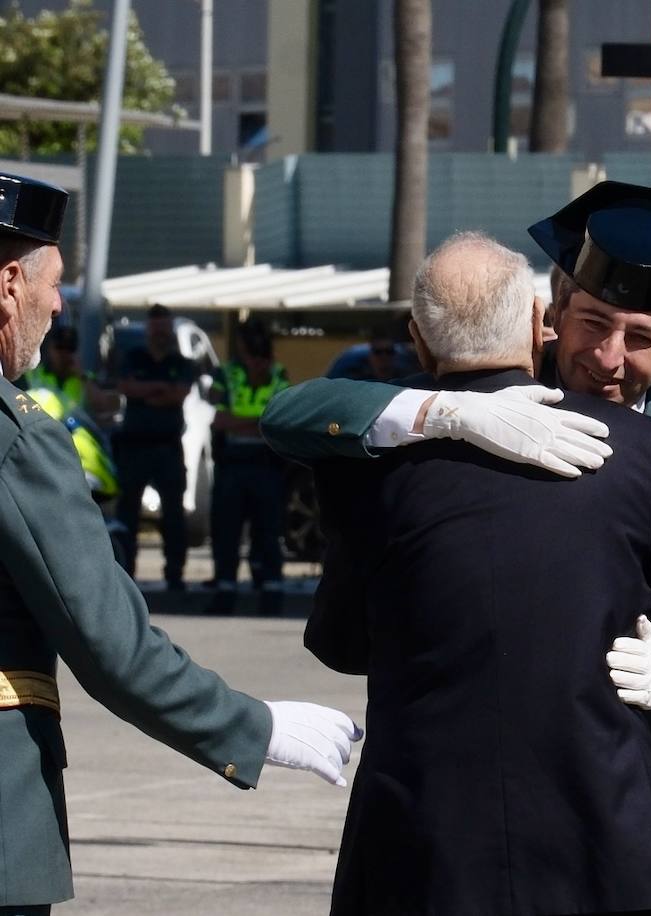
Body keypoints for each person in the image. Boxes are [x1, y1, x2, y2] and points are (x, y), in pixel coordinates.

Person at [262, 181, 651, 913]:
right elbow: (297, 414)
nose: (607, 357)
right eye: (592, 323)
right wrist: (449, 413)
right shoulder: (482, 394)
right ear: (552, 310)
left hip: (643, 807)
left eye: (641, 340)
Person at [0, 171, 362, 915]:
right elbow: (111, 644)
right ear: (9, 283)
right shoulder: (17, 438)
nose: (58, 304)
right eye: (54, 282)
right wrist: (256, 727)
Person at [207, 318, 291, 614]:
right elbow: (219, 420)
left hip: (267, 465)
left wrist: (243, 424)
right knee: (226, 531)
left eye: (258, 355)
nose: (253, 361)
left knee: (268, 531)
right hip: (233, 463)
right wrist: (258, 425)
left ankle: (271, 593)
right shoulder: (227, 374)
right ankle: (225, 591)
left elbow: (281, 423)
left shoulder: (280, 376)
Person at [114, 303, 196, 590]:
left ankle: (175, 573)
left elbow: (178, 395)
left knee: (174, 514)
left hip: (167, 447)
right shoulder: (133, 357)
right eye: (156, 326)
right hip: (135, 447)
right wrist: (159, 390)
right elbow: (127, 388)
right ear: (149, 328)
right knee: (128, 513)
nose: (160, 332)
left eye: (164, 327)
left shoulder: (181, 362)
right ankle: (126, 573)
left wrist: (146, 391)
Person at [23, 325, 119, 419]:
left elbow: (102, 405)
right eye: (60, 347)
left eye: (70, 348)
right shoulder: (34, 374)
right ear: (50, 349)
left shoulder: (86, 379)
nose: (64, 354)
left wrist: (81, 376)